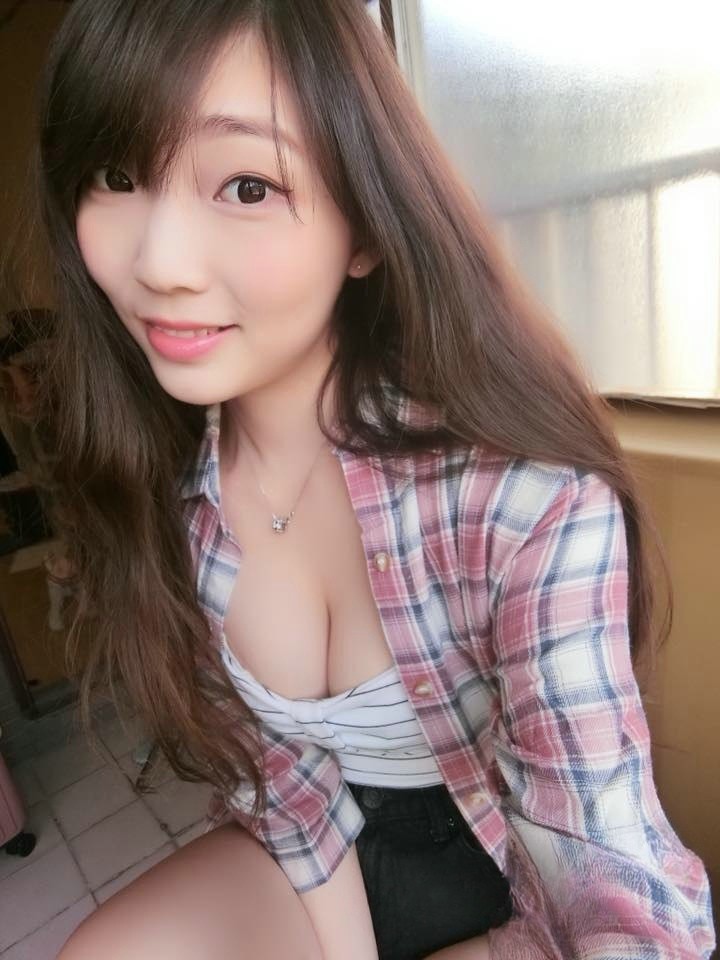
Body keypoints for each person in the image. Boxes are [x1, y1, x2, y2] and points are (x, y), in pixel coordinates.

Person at [23, 0, 713, 958]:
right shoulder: (169, 486)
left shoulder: (523, 499)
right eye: (117, 175)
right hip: (325, 845)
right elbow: (283, 784)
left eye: (248, 186)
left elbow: (612, 887)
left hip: (511, 859)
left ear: (366, 229)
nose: (159, 264)